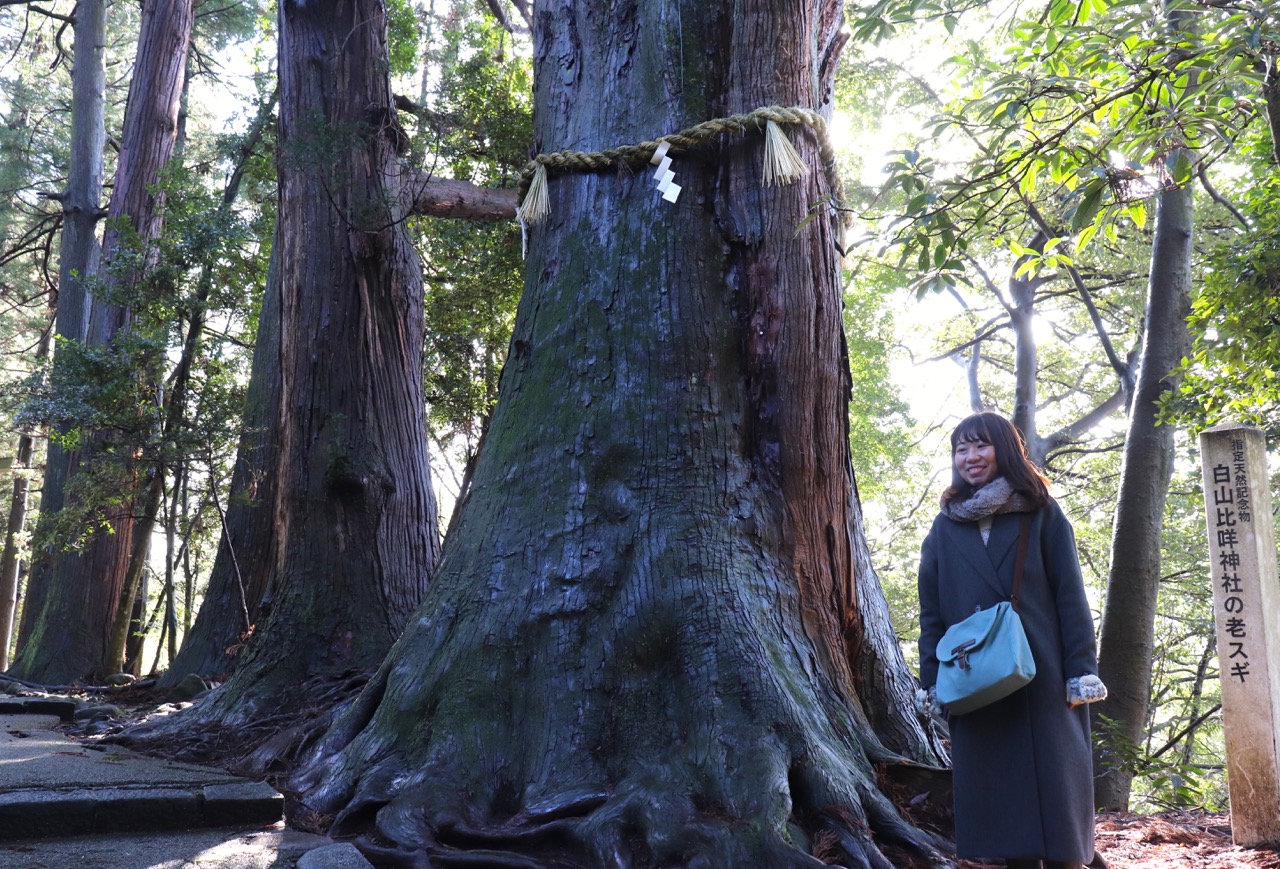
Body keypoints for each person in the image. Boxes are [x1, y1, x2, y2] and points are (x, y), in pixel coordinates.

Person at [917, 412, 1107, 869]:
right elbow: (932, 612)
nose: (970, 457)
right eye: (961, 449)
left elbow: (1070, 596)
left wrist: (1081, 669)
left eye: (980, 445)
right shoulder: (944, 527)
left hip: (1043, 671)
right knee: (1004, 803)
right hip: (974, 677)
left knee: (1056, 793)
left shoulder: (1041, 512)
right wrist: (932, 679)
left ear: (1004, 449)